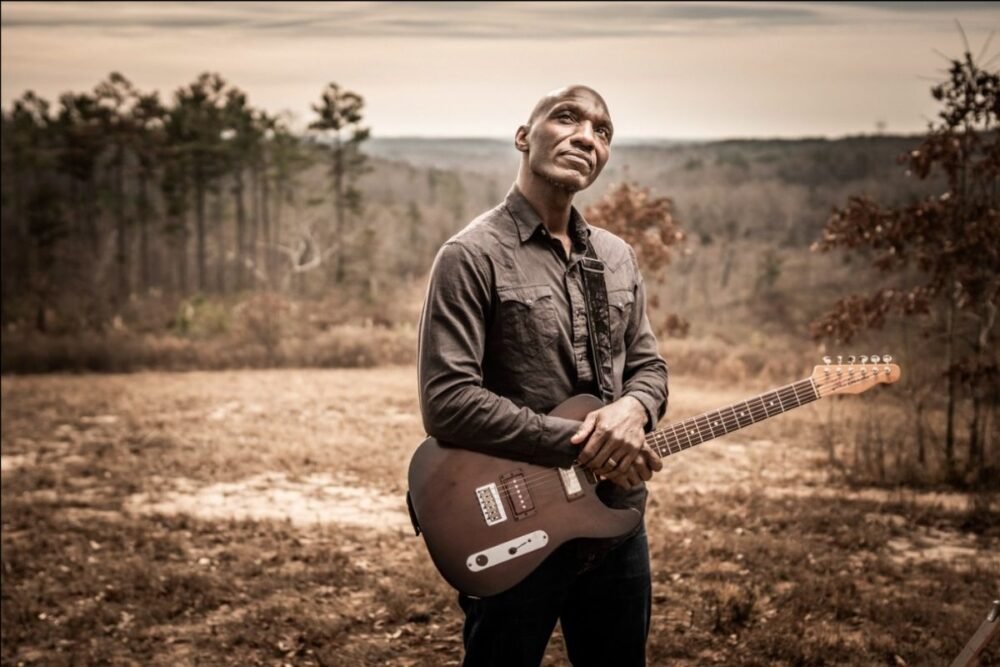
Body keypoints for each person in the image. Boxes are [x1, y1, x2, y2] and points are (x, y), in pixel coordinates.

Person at [417, 85, 669, 667]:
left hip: (617, 520)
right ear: (523, 136)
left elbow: (647, 364)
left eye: (603, 132)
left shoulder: (616, 257)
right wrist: (585, 442)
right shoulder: (471, 255)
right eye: (567, 118)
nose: (587, 136)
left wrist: (633, 410)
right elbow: (448, 401)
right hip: (511, 522)